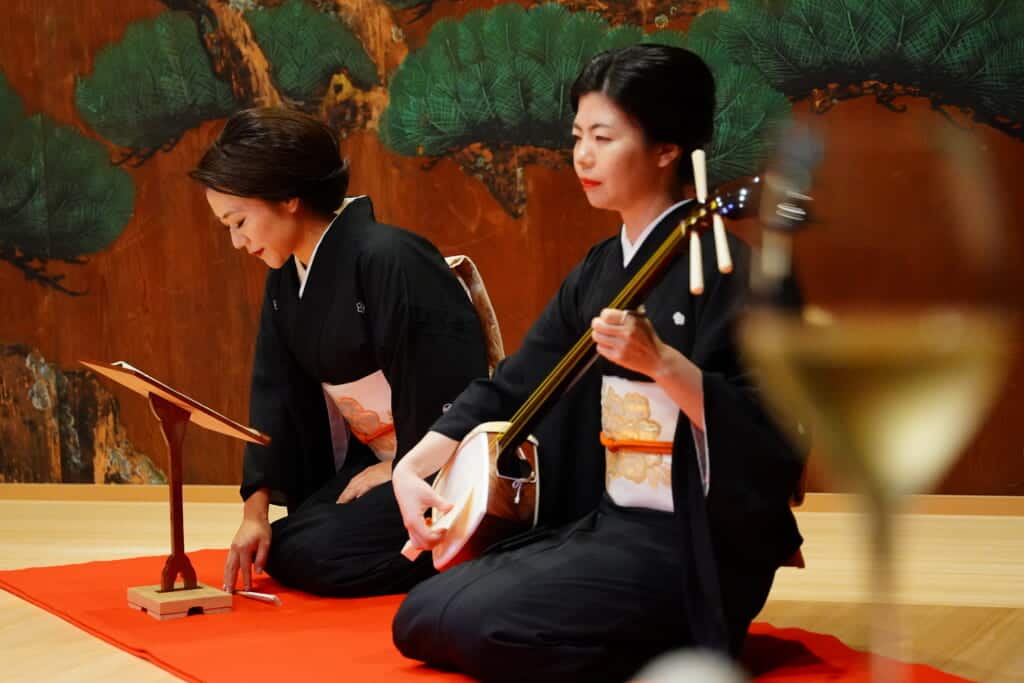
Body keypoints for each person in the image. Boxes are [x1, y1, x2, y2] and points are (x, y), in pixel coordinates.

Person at [390, 45, 804, 682]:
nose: (582, 155)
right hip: (605, 520)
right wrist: (414, 464)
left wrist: (664, 364)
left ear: (667, 148)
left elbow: (776, 433)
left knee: (488, 627)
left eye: (603, 137)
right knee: (423, 615)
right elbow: (518, 381)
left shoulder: (736, 275)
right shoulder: (597, 269)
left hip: (690, 547)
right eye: (578, 135)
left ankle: (684, 648)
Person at [189, 107, 489, 597]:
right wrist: (255, 513)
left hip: (435, 464)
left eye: (239, 221)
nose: (236, 241)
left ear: (288, 197)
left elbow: (448, 387)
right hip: (374, 460)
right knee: (287, 540)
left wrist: (398, 467)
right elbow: (275, 392)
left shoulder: (392, 258)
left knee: (315, 551)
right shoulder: (286, 280)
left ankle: (469, 544)